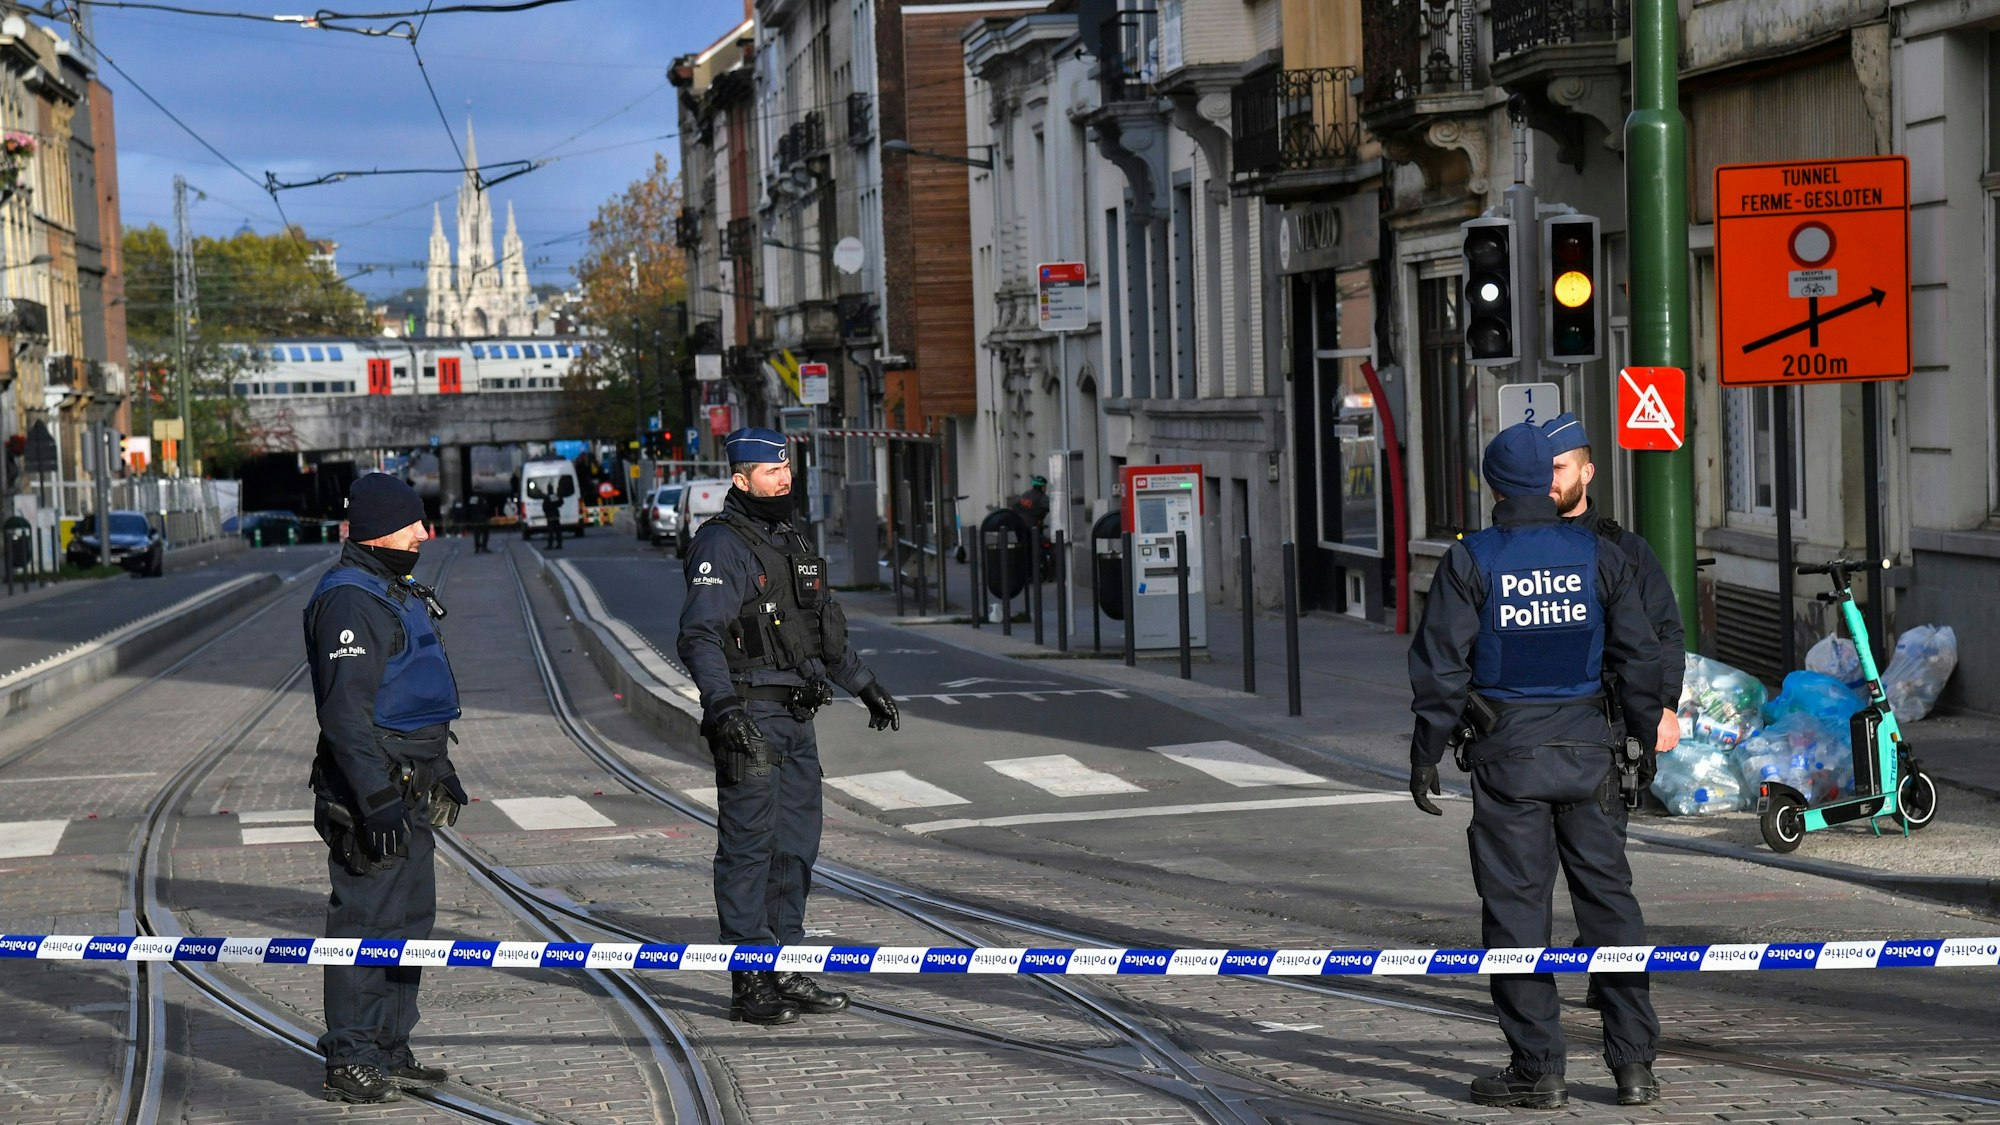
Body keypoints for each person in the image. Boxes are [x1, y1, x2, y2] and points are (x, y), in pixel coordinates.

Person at [1406, 422, 1667, 1110]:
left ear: (1494, 484)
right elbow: (1640, 658)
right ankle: (1634, 1065)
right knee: (1610, 906)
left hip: (1508, 759)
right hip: (1591, 754)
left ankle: (1539, 1068)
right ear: (1548, 483)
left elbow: (1441, 666)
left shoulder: (1472, 560)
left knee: (1518, 913)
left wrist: (1425, 750)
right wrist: (1641, 738)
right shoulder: (1599, 554)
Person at [676, 427, 901, 1027]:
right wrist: (723, 710)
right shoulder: (720, 546)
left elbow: (820, 634)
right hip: (751, 714)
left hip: (798, 717)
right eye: (771, 473)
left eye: (786, 470)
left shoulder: (790, 541)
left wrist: (865, 686)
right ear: (740, 479)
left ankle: (783, 962)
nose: (785, 479)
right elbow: (700, 636)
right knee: (749, 851)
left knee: (795, 848)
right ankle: (750, 981)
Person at [305, 473, 467, 1103]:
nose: (424, 534)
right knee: (364, 920)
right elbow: (345, 715)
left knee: (407, 921)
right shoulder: (350, 601)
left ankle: (390, 1046)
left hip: (413, 784)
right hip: (371, 791)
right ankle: (350, 1055)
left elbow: (412, 694)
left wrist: (441, 769)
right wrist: (373, 797)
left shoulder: (390, 589)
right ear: (380, 528)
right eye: (414, 524)